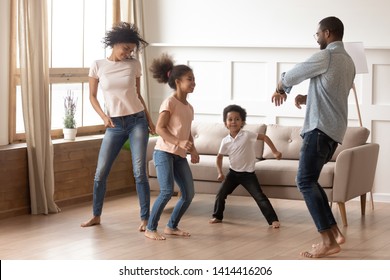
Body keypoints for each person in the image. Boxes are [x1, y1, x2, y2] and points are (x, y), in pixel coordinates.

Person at [271, 16, 355, 258]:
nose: (317, 38)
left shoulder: (326, 55)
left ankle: (327, 241)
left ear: (327, 33)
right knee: (312, 181)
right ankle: (336, 232)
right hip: (333, 132)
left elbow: (294, 74)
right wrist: (307, 99)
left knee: (304, 182)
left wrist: (280, 87)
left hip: (318, 130)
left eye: (317, 34)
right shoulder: (348, 62)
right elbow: (335, 93)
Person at [81, 22, 156, 231]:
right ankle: (96, 215)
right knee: (100, 173)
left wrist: (149, 120)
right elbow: (92, 97)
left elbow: (138, 95)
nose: (128, 53)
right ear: (114, 44)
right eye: (125, 48)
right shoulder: (97, 65)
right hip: (114, 124)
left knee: (139, 171)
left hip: (137, 121)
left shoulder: (134, 65)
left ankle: (145, 219)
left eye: (131, 50)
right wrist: (104, 117)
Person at [145, 53, 200, 240]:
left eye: (194, 79)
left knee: (188, 194)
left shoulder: (189, 107)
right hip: (163, 153)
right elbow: (159, 128)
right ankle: (150, 228)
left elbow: (187, 131)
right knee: (167, 191)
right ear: (178, 81)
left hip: (179, 155)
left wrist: (193, 149)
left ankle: (171, 226)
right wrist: (178, 142)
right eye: (190, 79)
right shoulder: (169, 102)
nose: (194, 83)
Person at [209, 104, 282, 228]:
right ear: (225, 123)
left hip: (248, 175)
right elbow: (219, 157)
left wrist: (275, 151)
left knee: (259, 197)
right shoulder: (225, 141)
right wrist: (220, 172)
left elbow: (264, 137)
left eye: (237, 119)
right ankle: (217, 216)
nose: (233, 122)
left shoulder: (247, 135)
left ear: (242, 122)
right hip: (232, 173)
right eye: (230, 119)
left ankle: (273, 220)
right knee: (221, 194)